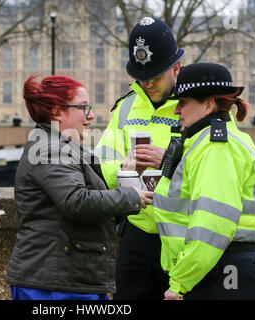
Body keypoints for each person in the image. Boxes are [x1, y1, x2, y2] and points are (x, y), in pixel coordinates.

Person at [7, 74, 153, 300]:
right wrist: (130, 197)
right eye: (83, 107)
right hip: (54, 285)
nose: (92, 115)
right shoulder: (50, 150)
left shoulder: (60, 144)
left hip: (65, 278)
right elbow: (78, 201)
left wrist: (125, 169)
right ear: (57, 112)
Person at [153, 62, 255, 300]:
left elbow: (213, 223)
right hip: (226, 267)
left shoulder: (215, 147)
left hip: (219, 270)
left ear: (208, 104)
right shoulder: (229, 139)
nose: (177, 110)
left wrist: (179, 284)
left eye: (183, 102)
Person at [94, 17, 185, 299]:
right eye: (141, 77)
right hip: (137, 230)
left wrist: (169, 160)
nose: (147, 83)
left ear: (177, 68)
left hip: (183, 232)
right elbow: (101, 163)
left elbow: (216, 166)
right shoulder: (124, 108)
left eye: (155, 76)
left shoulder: (198, 105)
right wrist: (123, 167)